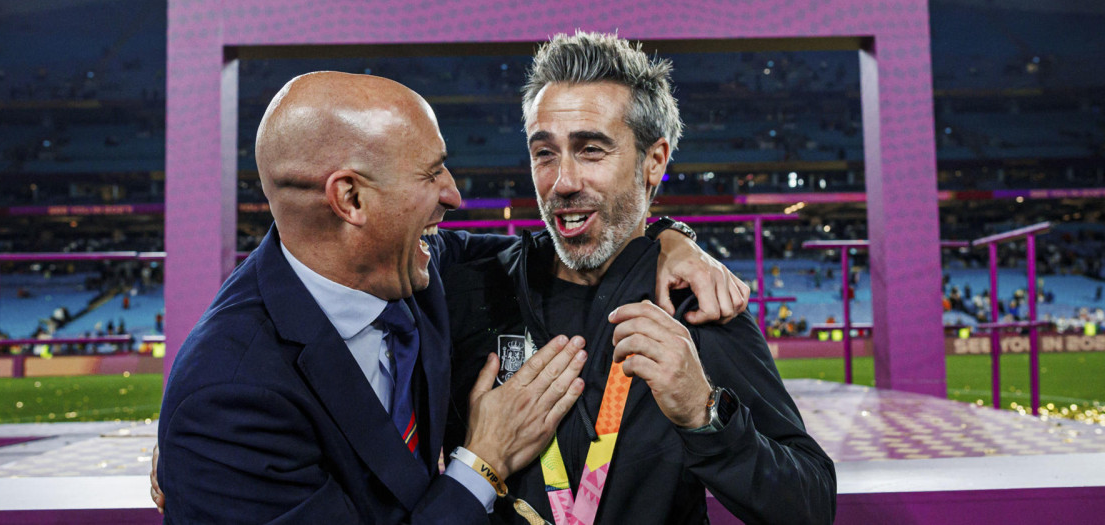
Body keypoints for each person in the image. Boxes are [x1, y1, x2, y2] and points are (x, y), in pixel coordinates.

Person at [156, 71, 748, 523]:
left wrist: (672, 240)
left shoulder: (412, 265)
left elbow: (566, 242)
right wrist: (480, 465)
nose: (455, 195)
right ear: (352, 200)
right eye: (431, 174)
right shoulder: (228, 401)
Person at [441, 32, 835, 524]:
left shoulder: (695, 306)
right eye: (545, 153)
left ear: (655, 162)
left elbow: (810, 505)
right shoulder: (476, 285)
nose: (563, 182)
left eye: (590, 150)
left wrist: (704, 414)